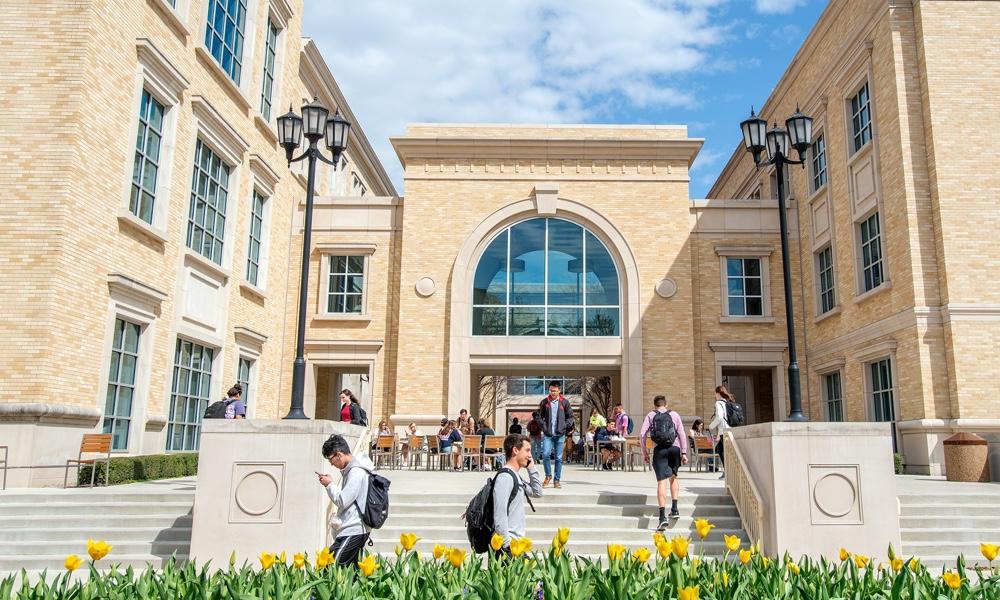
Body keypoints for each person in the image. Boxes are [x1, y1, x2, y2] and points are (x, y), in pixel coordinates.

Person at [317, 434, 376, 566]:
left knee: (331, 567)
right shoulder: (351, 471)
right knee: (351, 573)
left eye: (331, 460)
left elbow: (343, 500)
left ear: (339, 454)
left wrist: (329, 485)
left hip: (353, 529)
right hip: (353, 529)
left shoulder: (356, 471)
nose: (332, 464)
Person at [640, 395, 688, 530]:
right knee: (673, 477)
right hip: (674, 448)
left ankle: (662, 517)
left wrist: (645, 453)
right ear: (666, 404)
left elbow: (642, 434)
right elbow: (682, 433)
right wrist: (683, 452)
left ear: (655, 405)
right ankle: (675, 508)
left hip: (659, 450)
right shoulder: (674, 414)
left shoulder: (651, 415)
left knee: (662, 482)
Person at [491, 434, 543, 553]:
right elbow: (500, 515)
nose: (530, 455)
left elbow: (537, 492)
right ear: (515, 450)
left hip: (516, 545)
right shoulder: (505, 478)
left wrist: (532, 469)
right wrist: (507, 546)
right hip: (508, 547)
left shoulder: (515, 475)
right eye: (527, 450)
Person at [538, 380, 574, 489]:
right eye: (550, 391)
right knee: (545, 455)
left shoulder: (564, 402)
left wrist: (564, 426)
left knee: (558, 458)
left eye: (554, 391)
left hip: (560, 434)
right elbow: (539, 416)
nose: (552, 393)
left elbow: (571, 417)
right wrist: (543, 427)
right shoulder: (544, 402)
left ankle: (557, 480)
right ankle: (548, 476)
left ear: (559, 390)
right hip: (548, 434)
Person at [708, 385, 733, 479]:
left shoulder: (718, 403)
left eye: (715, 393)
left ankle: (727, 472)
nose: (715, 395)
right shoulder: (728, 402)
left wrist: (711, 426)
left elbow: (719, 417)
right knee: (720, 449)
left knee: (721, 450)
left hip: (724, 431)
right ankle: (727, 471)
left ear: (718, 393)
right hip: (730, 429)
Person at [600, 404, 628, 470]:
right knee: (607, 452)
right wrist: (607, 438)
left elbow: (618, 438)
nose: (613, 426)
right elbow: (599, 438)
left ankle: (609, 462)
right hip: (602, 447)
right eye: (612, 424)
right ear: (608, 424)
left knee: (619, 454)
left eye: (614, 425)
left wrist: (618, 436)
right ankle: (604, 464)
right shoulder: (603, 430)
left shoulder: (614, 432)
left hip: (611, 447)